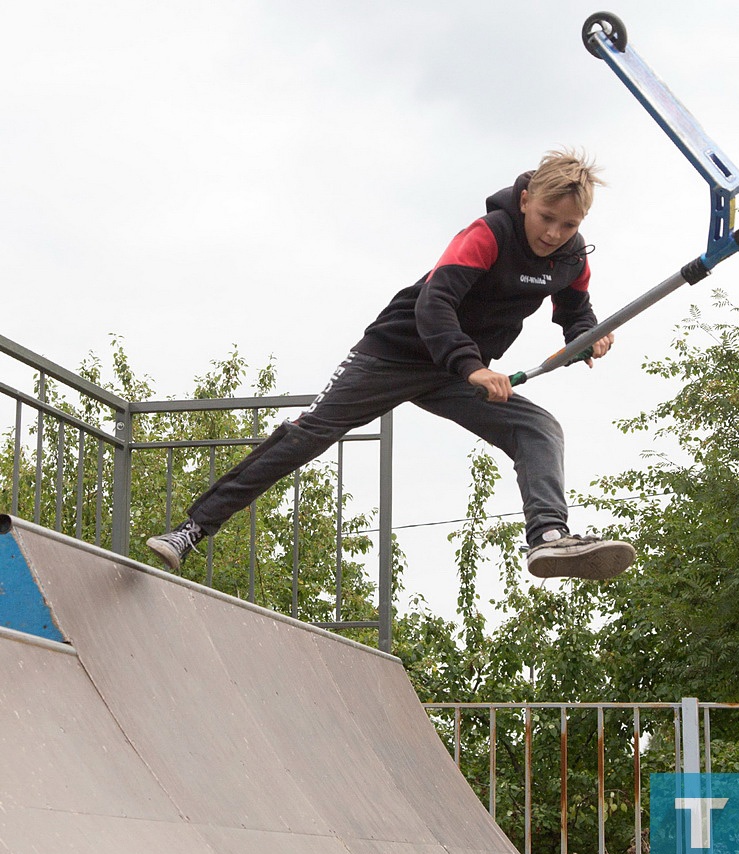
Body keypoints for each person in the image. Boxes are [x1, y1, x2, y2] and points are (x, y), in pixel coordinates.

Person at [147, 148, 635, 581]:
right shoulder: (487, 234)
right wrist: (471, 366)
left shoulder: (572, 258)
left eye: (568, 225)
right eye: (546, 217)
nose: (553, 233)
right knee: (308, 435)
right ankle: (190, 530)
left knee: (538, 428)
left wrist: (587, 338)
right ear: (526, 198)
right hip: (395, 354)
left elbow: (574, 312)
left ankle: (548, 538)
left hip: (455, 372)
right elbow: (434, 306)